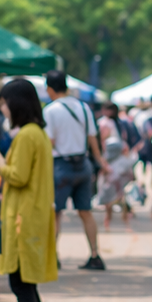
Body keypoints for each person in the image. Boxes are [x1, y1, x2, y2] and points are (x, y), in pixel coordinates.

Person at [0, 77, 56, 302]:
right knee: (26, 284)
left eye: (4, 103)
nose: (3, 109)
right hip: (30, 215)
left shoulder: (27, 135)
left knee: (21, 285)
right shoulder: (36, 133)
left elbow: (18, 175)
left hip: (23, 218)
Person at [43, 70, 105, 270]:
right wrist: (100, 160)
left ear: (50, 89)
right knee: (86, 212)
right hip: (83, 164)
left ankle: (53, 256)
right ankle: (95, 254)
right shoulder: (83, 107)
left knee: (56, 212)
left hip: (61, 165)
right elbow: (92, 137)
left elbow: (49, 141)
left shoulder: (50, 111)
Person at [97, 137, 139, 230]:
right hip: (117, 187)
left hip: (114, 186)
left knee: (111, 204)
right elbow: (132, 161)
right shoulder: (120, 160)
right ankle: (120, 221)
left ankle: (109, 221)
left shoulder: (106, 161)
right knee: (119, 203)